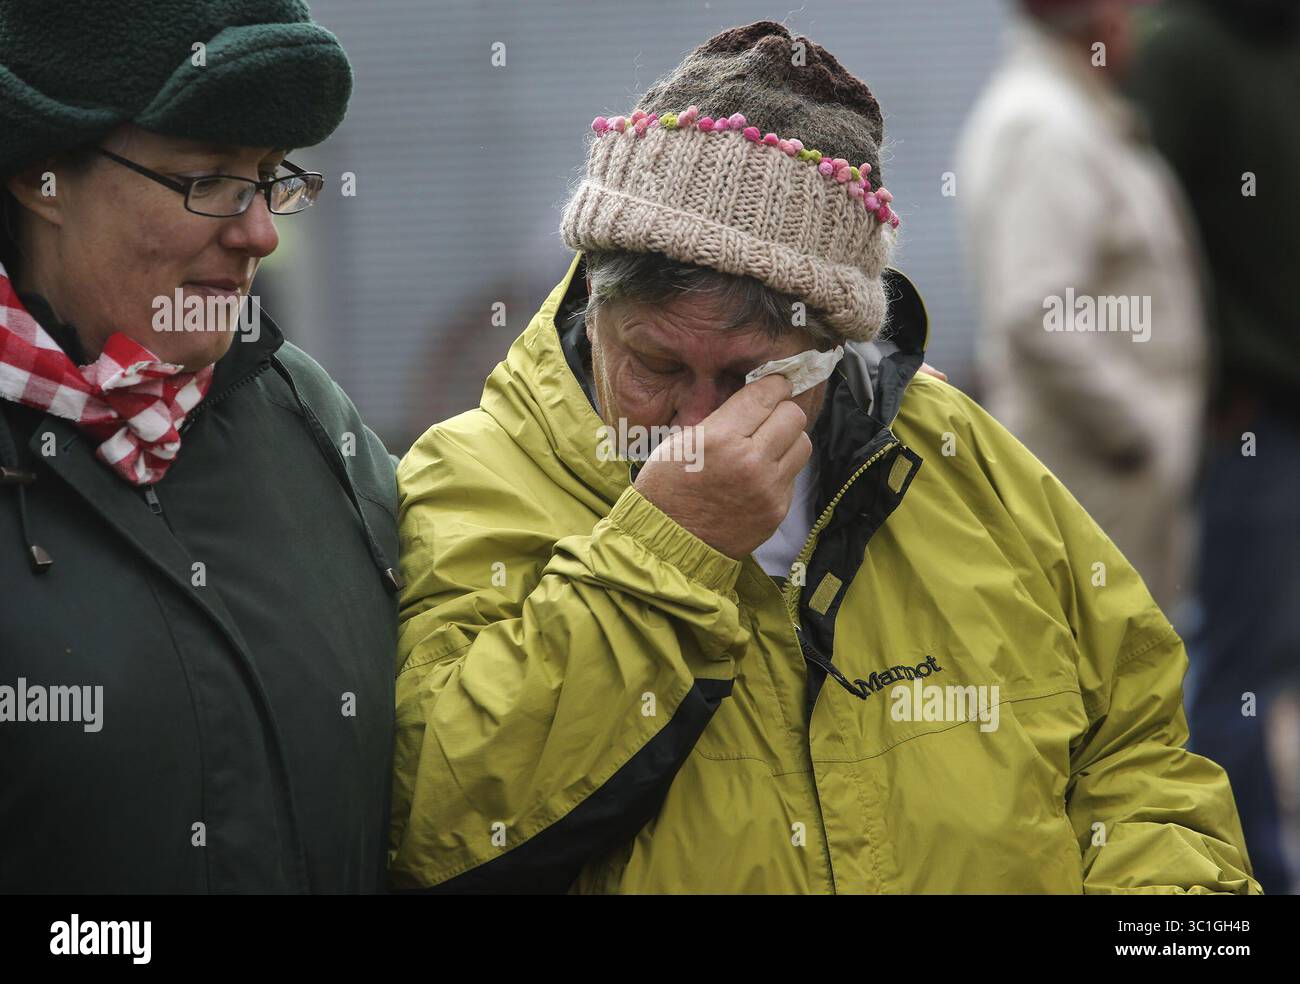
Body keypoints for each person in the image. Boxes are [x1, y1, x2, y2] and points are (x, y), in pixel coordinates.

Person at [388, 21, 1258, 893]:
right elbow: (438, 826)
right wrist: (666, 548)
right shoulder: (473, 479)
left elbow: (1139, 754)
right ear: (594, 308)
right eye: (654, 365)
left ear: (837, 348)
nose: (697, 422)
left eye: (748, 376)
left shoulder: (956, 456)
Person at [0, 0, 399, 892]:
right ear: (41, 177)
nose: (261, 231)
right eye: (208, 179)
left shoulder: (311, 419)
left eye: (270, 176)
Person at [956, 0, 1209, 615]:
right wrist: (1139, 430)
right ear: (1100, 20)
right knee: (1099, 682)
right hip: (1093, 476)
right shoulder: (1045, 126)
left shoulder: (1071, 112)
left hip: (1109, 477)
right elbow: (1035, 313)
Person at [1129, 0, 1300, 895]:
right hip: (1251, 413)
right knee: (1232, 668)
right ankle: (1237, 885)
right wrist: (1211, 377)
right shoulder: (1185, 54)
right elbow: (1147, 241)